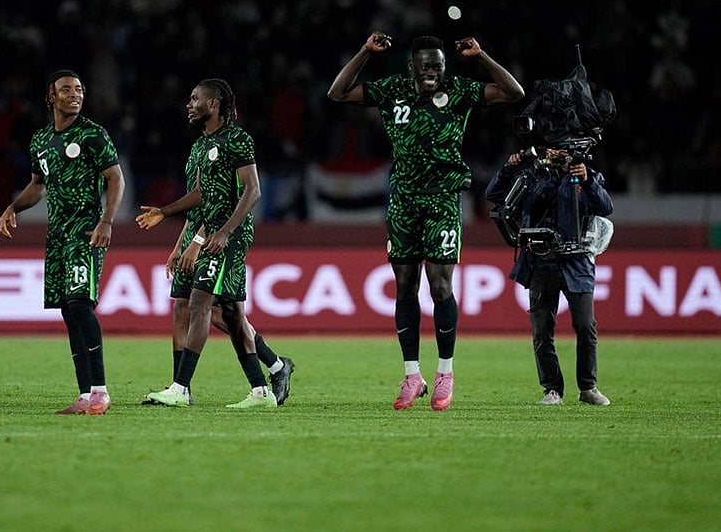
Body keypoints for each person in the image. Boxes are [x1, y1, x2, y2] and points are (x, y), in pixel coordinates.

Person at [328, 32, 525, 411]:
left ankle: (445, 372)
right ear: (412, 67)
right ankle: (412, 374)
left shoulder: (460, 90)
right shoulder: (393, 90)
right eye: (426, 65)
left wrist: (481, 56)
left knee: (440, 287)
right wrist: (365, 52)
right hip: (403, 201)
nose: (433, 71)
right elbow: (338, 93)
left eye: (438, 65)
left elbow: (513, 93)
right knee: (404, 286)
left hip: (443, 200)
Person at [142, 105, 294, 407]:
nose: (188, 104)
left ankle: (182, 387)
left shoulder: (234, 140)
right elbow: (200, 197)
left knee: (208, 308)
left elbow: (230, 199)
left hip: (219, 234)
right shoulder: (199, 146)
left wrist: (199, 240)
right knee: (196, 309)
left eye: (195, 99)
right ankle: (269, 373)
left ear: (213, 105)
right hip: (198, 234)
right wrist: (176, 236)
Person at [0, 70, 124, 416]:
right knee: (68, 310)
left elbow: (115, 177)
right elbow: (38, 184)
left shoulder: (93, 134)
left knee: (80, 304)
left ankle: (100, 391)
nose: (75, 94)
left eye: (79, 89)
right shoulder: (40, 140)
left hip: (86, 230)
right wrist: (13, 207)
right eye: (66, 89)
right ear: (51, 97)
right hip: (57, 234)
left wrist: (106, 220)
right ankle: (84, 395)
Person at [485, 147, 613, 406]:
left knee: (586, 326)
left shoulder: (587, 176)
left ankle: (588, 388)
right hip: (540, 261)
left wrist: (586, 179)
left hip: (576, 262)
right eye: (553, 148)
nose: (557, 153)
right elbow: (494, 195)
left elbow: (605, 207)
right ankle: (552, 389)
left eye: (562, 149)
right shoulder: (532, 176)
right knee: (542, 330)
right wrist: (509, 168)